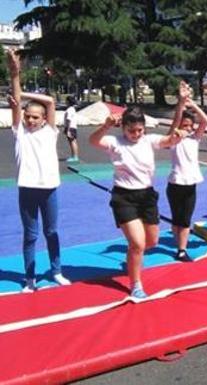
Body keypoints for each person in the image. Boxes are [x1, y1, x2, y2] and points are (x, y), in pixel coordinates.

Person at [89, 108, 182, 298]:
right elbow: (93, 141)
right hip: (124, 197)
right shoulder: (115, 142)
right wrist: (105, 126)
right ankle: (136, 284)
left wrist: (177, 136)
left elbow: (168, 140)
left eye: (140, 130)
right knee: (138, 243)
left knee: (151, 241)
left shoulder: (148, 141)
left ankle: (133, 255)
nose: (136, 134)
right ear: (123, 128)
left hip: (147, 196)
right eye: (131, 130)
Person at [7, 49, 70, 292]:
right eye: (28, 116)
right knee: (30, 235)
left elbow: (51, 102)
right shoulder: (19, 131)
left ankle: (56, 271)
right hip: (27, 190)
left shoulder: (50, 131)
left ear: (44, 119)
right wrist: (15, 74)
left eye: (35, 117)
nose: (31, 120)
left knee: (51, 231)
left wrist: (22, 93)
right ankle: (30, 278)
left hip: (49, 189)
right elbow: (17, 104)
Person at [165, 81, 207, 262]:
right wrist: (181, 103)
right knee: (177, 218)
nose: (188, 128)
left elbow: (205, 120)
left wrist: (192, 104)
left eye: (190, 125)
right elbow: (175, 122)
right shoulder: (173, 139)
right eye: (184, 125)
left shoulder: (194, 139)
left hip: (190, 184)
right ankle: (179, 244)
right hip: (175, 183)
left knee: (185, 219)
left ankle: (181, 250)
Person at [64, 95, 80, 163]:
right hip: (71, 127)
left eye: (66, 101)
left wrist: (68, 130)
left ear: (68, 101)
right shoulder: (71, 109)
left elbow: (69, 120)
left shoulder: (70, 109)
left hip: (71, 127)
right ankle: (74, 156)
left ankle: (75, 156)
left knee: (72, 142)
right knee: (73, 141)